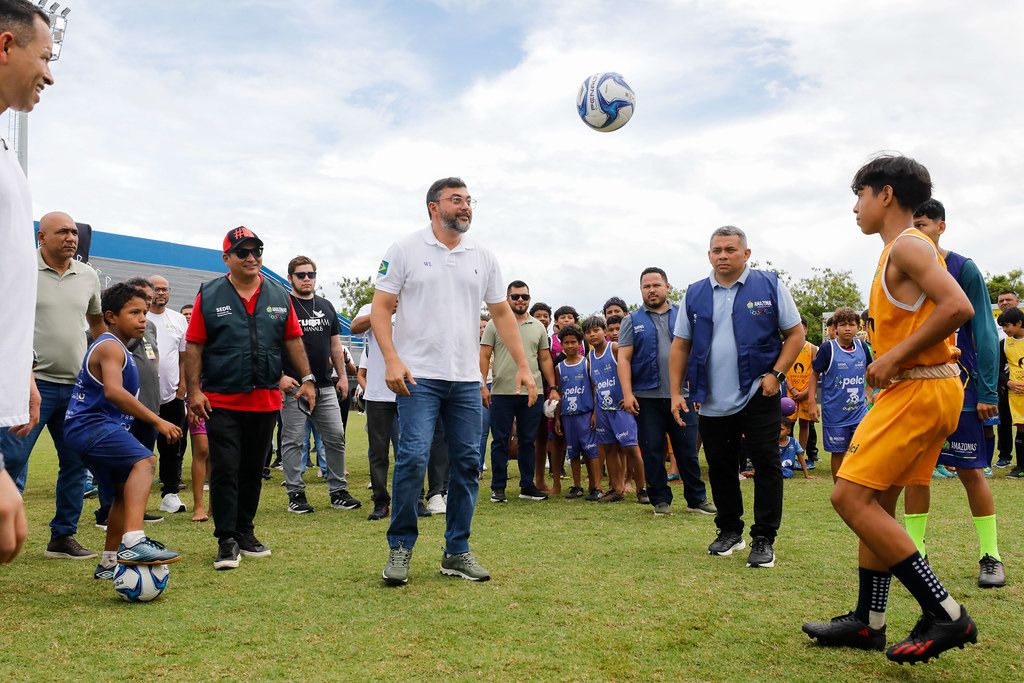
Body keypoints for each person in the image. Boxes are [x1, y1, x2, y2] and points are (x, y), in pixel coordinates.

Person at [802, 155, 977, 664]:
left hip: (917, 388)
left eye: (859, 195)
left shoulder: (907, 244)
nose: (855, 207)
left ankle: (945, 612)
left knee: (849, 497)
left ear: (885, 195)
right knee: (877, 503)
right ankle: (869, 621)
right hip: (926, 389)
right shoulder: (899, 250)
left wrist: (895, 357)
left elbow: (959, 307)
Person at [372, 177, 536, 586]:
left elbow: (501, 314)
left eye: (469, 200)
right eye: (456, 200)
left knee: (466, 463)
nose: (465, 207)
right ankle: (400, 547)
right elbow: (381, 308)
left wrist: (523, 364)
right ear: (434, 206)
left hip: (465, 379)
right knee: (412, 457)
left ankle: (456, 550)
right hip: (418, 377)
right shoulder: (404, 249)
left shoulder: (483, 255)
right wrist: (391, 359)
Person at [669, 228, 804, 568]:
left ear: (746, 254)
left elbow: (796, 334)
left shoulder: (769, 284)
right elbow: (681, 345)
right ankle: (730, 530)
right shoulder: (695, 293)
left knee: (766, 464)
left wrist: (776, 375)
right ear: (709, 255)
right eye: (717, 250)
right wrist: (675, 392)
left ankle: (764, 538)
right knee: (720, 466)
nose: (723, 255)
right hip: (711, 397)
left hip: (759, 390)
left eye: (730, 249)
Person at [184, 227, 317, 570]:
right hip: (221, 400)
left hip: (265, 400)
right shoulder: (209, 294)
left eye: (256, 251)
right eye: (242, 252)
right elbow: (194, 344)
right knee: (226, 469)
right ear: (226, 258)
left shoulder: (278, 294)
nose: (251, 257)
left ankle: (245, 531)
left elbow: (292, 340)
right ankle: (226, 539)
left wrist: (307, 379)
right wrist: (194, 391)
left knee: (253, 471)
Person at [900, 199, 1005, 588]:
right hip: (916, 387)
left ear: (941, 226)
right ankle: (915, 556)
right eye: (912, 225)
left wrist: (988, 390)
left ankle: (991, 556)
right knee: (917, 473)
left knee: (971, 470)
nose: (917, 232)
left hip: (962, 387)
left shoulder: (963, 268)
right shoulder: (899, 269)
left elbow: (985, 331)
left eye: (924, 224)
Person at [0, 211, 105, 561]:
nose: (71, 238)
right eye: (62, 232)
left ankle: (63, 537)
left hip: (76, 388)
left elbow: (96, 323)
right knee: (11, 459)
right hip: (29, 386)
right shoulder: (20, 268)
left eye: (74, 232)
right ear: (41, 237)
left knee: (75, 463)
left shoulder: (88, 275)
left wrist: (109, 358)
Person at [64, 283, 184, 579]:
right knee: (145, 461)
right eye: (134, 313)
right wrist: (157, 421)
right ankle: (134, 542)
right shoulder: (109, 346)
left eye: (144, 312)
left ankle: (108, 563)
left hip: (93, 429)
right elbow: (114, 392)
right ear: (111, 316)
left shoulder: (121, 348)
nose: (142, 319)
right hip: (91, 426)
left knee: (121, 492)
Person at [0, 0, 53, 565]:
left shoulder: (6, 151)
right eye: (45, 57)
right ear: (5, 46)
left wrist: (21, 372)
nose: (49, 75)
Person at [620, 267, 715, 518]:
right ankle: (660, 500)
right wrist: (627, 393)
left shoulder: (684, 314)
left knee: (687, 450)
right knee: (652, 451)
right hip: (646, 398)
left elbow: (697, 353)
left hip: (681, 396)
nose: (651, 290)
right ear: (641, 289)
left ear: (667, 287)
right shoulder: (631, 320)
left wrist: (698, 389)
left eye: (656, 285)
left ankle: (697, 499)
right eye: (646, 286)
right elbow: (624, 359)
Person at [278, 256, 361, 514]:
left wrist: (343, 376)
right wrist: (279, 377)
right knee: (293, 441)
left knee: (336, 437)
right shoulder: (283, 306)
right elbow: (269, 344)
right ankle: (296, 494)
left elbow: (336, 346)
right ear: (290, 277)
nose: (306, 279)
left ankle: (338, 491)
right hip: (295, 386)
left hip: (325, 385)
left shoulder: (325, 306)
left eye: (311, 275)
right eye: (301, 275)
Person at [481, 280, 557, 503]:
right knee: (500, 440)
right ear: (507, 299)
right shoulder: (495, 324)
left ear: (529, 299)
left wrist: (553, 388)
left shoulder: (538, 326)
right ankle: (498, 488)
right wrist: (481, 385)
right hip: (501, 392)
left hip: (533, 392)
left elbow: (545, 358)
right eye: (515, 296)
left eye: (525, 296)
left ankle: (527, 486)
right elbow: (484, 354)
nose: (520, 300)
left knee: (528, 440)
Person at [583, 316, 645, 502]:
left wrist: (630, 395)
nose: (592, 334)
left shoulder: (615, 348)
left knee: (631, 448)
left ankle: (642, 489)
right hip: (603, 410)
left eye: (596, 330)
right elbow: (596, 386)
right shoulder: (590, 357)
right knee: (609, 448)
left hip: (621, 408)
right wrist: (596, 412)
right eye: (588, 332)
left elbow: (632, 371)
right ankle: (616, 489)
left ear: (605, 331)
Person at [807, 307, 871, 481]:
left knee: (861, 451)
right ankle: (840, 489)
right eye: (843, 325)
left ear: (858, 327)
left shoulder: (862, 347)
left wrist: (869, 392)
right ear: (835, 328)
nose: (847, 328)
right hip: (835, 415)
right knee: (838, 453)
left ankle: (857, 486)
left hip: (859, 413)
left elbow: (870, 370)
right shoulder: (828, 348)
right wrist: (812, 402)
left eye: (851, 324)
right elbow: (814, 374)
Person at [351, 298, 400, 521]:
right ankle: (381, 502)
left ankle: (413, 499)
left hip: (409, 390)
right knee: (378, 452)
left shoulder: (416, 301)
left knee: (409, 451)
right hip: (378, 393)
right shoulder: (372, 307)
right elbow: (354, 328)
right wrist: (383, 311)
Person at [148, 275, 190, 513]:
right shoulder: (140, 317)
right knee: (141, 446)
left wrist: (182, 388)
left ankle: (170, 494)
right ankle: (133, 496)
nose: (161, 293)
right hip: (142, 397)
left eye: (165, 289)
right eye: (156, 289)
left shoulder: (178, 319)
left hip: (172, 395)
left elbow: (184, 357)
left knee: (172, 445)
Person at [555, 325, 601, 499]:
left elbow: (595, 389)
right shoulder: (559, 368)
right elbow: (559, 394)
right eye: (566, 343)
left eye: (573, 342)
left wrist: (595, 413)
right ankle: (576, 486)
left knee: (591, 451)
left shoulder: (586, 363)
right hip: (568, 416)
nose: (570, 346)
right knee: (573, 452)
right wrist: (557, 418)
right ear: (562, 345)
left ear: (580, 343)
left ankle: (596, 487)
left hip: (586, 414)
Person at [995, 290, 1023, 473]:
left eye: (1007, 326)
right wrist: (1008, 383)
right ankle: (1014, 462)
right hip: (1013, 392)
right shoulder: (1004, 343)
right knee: (1015, 426)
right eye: (1003, 326)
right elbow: (997, 370)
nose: (1005, 330)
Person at [785, 320, 818, 456]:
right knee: (787, 424)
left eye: (803, 328)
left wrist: (806, 392)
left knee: (805, 424)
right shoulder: (785, 347)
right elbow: (783, 370)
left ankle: (801, 455)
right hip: (789, 393)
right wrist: (792, 390)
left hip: (806, 393)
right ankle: (788, 454)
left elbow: (816, 372)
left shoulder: (812, 348)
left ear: (806, 330)